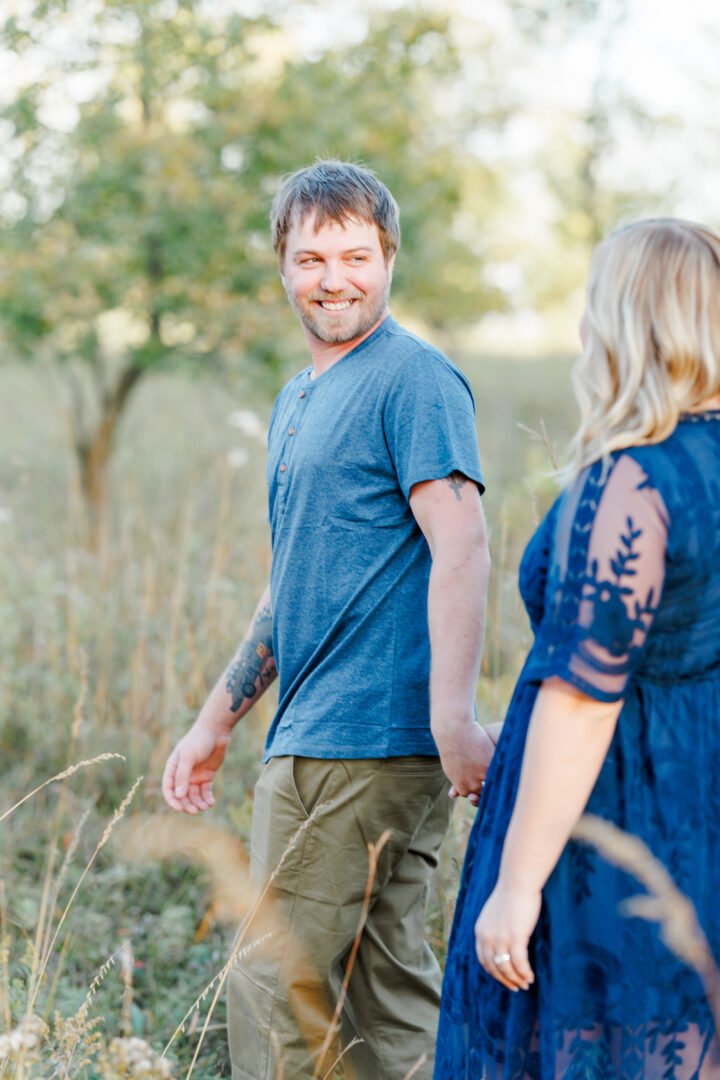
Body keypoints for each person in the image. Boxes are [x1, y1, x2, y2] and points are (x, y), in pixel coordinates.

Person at [162, 160, 493, 1080]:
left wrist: (451, 718)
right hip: (309, 735)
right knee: (382, 1002)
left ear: (390, 257)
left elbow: (462, 543)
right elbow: (291, 582)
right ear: (282, 267)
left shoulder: (414, 380)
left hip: (368, 739)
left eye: (356, 255)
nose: (334, 278)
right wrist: (216, 718)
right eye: (312, 258)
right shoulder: (298, 398)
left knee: (277, 992)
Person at [434, 217, 720, 1080]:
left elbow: (583, 694)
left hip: (615, 820)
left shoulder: (632, 478)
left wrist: (517, 886)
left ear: (622, 323)